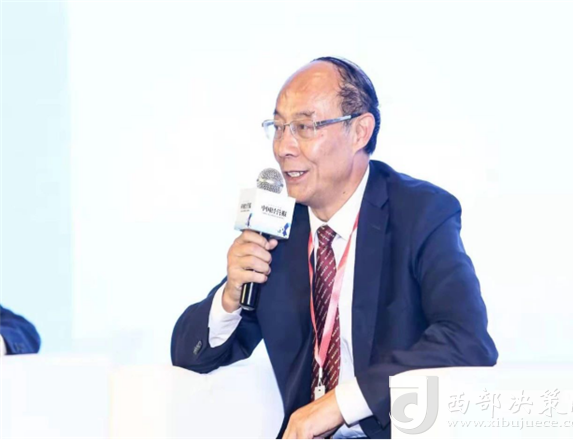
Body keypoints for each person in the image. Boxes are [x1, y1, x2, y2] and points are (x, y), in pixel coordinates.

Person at [171, 56, 498, 439]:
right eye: (278, 127)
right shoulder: (277, 228)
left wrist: (339, 405)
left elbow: (467, 340)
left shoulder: (421, 213)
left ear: (359, 131)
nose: (283, 147)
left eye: (304, 126)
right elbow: (190, 355)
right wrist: (229, 296)